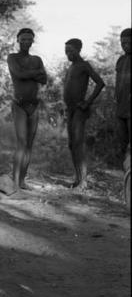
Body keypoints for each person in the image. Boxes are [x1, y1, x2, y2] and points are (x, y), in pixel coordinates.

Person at [7, 28, 47, 190]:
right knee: (22, 143)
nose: (26, 42)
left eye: (29, 39)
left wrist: (29, 73)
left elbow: (44, 79)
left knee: (29, 145)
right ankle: (15, 182)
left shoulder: (37, 59)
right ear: (17, 40)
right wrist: (34, 73)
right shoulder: (12, 57)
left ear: (33, 41)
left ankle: (22, 181)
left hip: (34, 105)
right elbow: (18, 74)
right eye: (23, 39)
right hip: (19, 105)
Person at [63, 38, 105, 190]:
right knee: (71, 144)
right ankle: (78, 179)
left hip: (80, 109)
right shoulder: (71, 67)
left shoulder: (84, 65)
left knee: (78, 144)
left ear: (79, 49)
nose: (68, 54)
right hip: (70, 110)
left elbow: (100, 83)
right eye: (66, 51)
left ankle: (83, 182)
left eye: (71, 51)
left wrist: (87, 102)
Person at [115, 28, 131, 156]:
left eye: (129, 43)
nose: (125, 46)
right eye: (123, 43)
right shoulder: (120, 60)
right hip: (121, 107)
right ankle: (126, 174)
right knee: (122, 143)